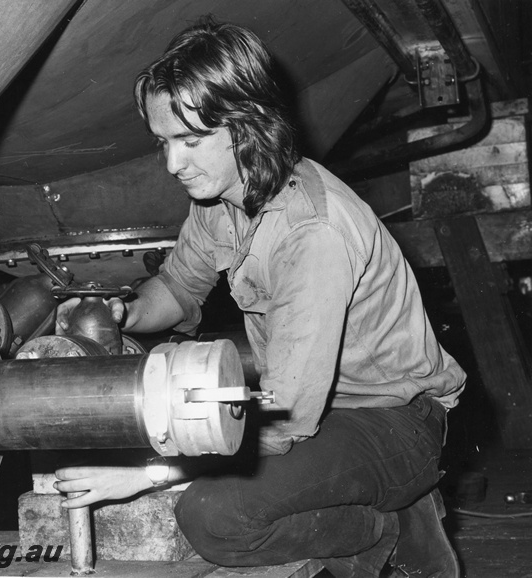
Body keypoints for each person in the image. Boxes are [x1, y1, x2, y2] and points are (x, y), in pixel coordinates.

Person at [53, 16, 466, 578]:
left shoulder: (312, 234)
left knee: (214, 515)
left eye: (191, 141)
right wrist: (124, 310)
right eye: (164, 142)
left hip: (394, 420)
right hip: (315, 410)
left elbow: (286, 415)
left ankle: (384, 530)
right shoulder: (219, 199)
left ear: (247, 126)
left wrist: (149, 474)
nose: (174, 164)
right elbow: (176, 287)